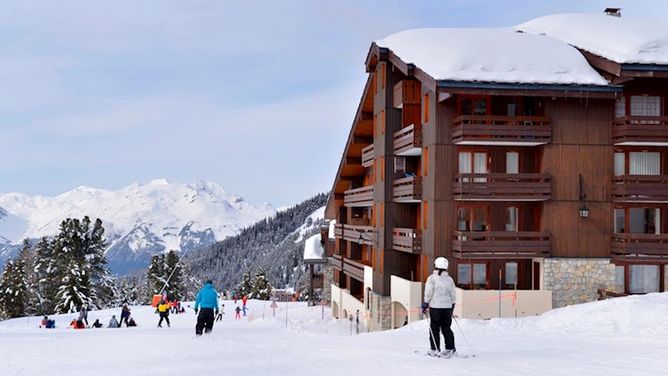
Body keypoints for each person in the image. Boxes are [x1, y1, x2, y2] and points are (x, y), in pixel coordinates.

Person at [422, 257, 457, 357]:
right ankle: (450, 348)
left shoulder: (432, 278)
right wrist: (452, 304)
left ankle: (435, 349)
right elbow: (453, 294)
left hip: (435, 307)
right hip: (447, 307)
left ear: (436, 266)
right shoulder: (450, 279)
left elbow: (428, 292)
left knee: (434, 328)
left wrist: (425, 303)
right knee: (447, 328)